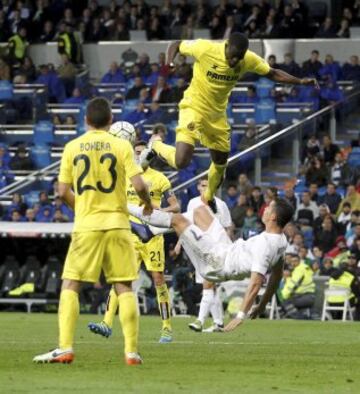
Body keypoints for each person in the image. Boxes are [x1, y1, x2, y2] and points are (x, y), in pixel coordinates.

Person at [140, 32, 318, 213]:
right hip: (194, 107)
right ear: (226, 46)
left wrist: (300, 81)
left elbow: (272, 73)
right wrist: (170, 62)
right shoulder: (206, 48)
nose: (234, 62)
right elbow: (176, 43)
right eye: (232, 57)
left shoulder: (246, 59)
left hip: (217, 115)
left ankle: (208, 197)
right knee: (181, 160)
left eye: (238, 58)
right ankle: (156, 144)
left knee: (220, 163)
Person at [33, 97, 152, 365]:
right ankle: (131, 352)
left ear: (86, 121)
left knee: (71, 283)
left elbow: (62, 192)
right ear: (110, 121)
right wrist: (145, 203)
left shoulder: (72, 147)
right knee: (124, 286)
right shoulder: (121, 145)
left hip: (86, 225)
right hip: (119, 224)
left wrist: (83, 208)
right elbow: (140, 185)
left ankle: (65, 347)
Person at [127, 198, 294, 332]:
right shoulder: (281, 241)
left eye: (269, 208)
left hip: (216, 263)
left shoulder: (265, 244)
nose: (264, 209)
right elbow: (277, 275)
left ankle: (125, 205)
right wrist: (262, 305)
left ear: (273, 217)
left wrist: (240, 315)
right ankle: (152, 231)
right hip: (226, 249)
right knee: (200, 211)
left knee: (178, 219)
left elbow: (256, 282)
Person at [88, 140, 180, 344]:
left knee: (158, 279)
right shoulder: (124, 176)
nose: (138, 156)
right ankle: (106, 323)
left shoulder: (160, 179)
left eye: (141, 152)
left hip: (152, 236)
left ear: (148, 154)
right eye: (135, 153)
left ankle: (166, 328)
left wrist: (158, 212)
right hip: (129, 235)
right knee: (121, 279)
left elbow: (176, 207)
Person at [186, 177, 233, 332]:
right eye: (203, 185)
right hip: (199, 249)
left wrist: (229, 248)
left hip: (217, 249)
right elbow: (187, 226)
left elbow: (227, 227)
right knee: (210, 287)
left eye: (209, 185)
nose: (206, 188)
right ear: (198, 187)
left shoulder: (221, 205)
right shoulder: (193, 203)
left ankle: (200, 320)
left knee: (209, 284)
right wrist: (182, 244)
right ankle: (218, 322)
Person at [280, 254, 315, 318]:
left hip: (305, 297)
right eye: (292, 261)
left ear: (300, 261)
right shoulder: (304, 267)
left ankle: (300, 318)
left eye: (295, 261)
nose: (293, 263)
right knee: (288, 302)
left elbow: (292, 285)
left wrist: (284, 295)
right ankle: (300, 317)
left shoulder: (299, 270)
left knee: (285, 302)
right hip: (308, 296)